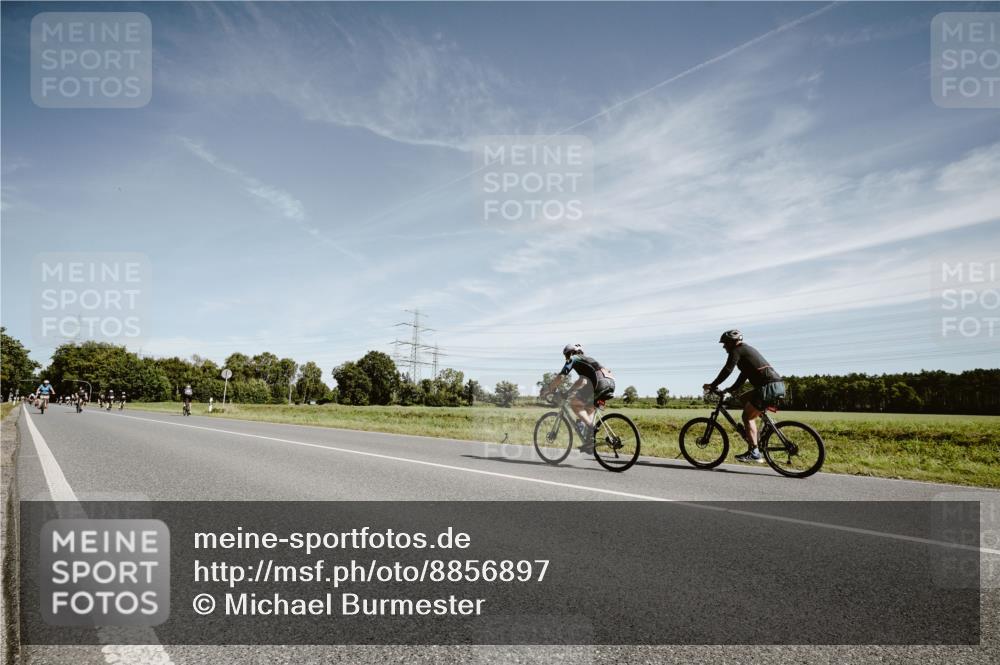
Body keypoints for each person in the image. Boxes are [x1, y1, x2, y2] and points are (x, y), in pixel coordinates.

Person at [703, 330, 785, 463]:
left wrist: (713, 385)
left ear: (732, 342)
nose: (724, 347)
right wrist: (731, 389)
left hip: (767, 387)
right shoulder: (746, 350)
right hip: (776, 385)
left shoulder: (737, 350)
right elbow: (744, 375)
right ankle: (759, 431)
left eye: (725, 344)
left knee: (746, 417)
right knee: (743, 398)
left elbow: (727, 369)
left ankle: (754, 452)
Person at [541, 344, 615, 455]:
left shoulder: (574, 359)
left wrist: (550, 389)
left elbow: (561, 376)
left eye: (566, 355)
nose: (566, 358)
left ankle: (591, 429)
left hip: (599, 383)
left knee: (574, 404)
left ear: (571, 352)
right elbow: (582, 381)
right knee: (589, 409)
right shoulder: (587, 361)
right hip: (610, 383)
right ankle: (590, 440)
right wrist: (567, 393)